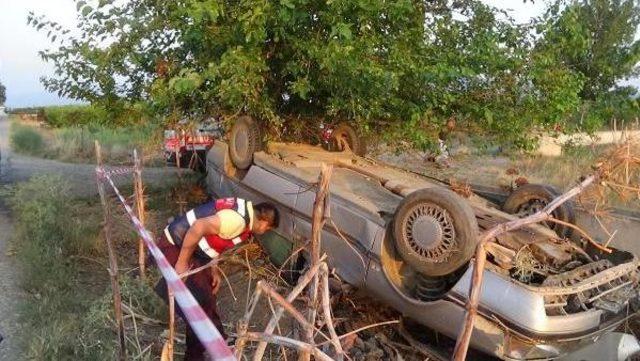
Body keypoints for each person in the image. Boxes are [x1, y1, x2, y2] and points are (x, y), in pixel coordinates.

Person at [154, 197, 279, 361]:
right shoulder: (237, 221)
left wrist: (213, 268)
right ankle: (194, 356)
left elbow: (213, 238)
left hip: (193, 249)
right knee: (197, 304)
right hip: (176, 246)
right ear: (263, 223)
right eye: (267, 229)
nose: (264, 232)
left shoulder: (241, 211)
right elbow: (199, 227)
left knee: (207, 296)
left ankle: (218, 339)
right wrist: (182, 262)